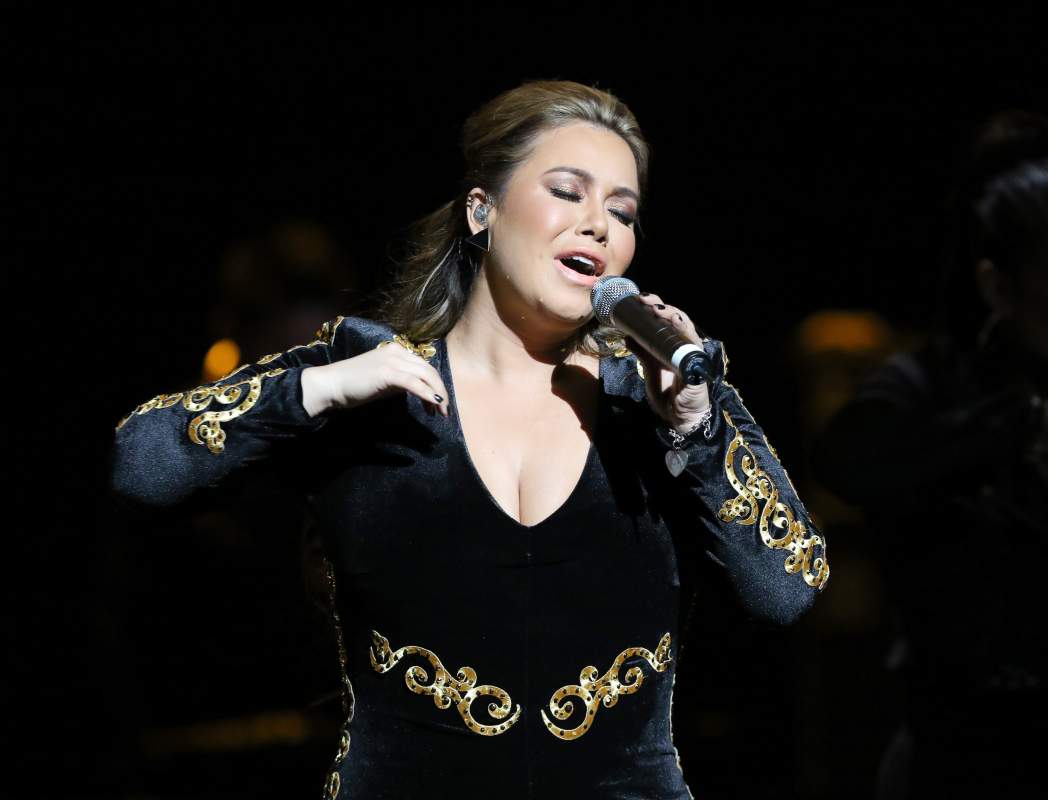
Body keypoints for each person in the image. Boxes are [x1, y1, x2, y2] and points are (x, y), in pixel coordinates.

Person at [109, 80, 830, 800]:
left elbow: (788, 590)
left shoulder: (660, 397)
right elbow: (139, 465)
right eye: (568, 192)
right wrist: (315, 390)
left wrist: (696, 430)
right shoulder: (370, 376)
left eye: (622, 211)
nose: (599, 226)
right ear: (482, 210)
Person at [813, 112, 1048, 799]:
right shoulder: (933, 390)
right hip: (965, 773)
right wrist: (1036, 426)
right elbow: (847, 461)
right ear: (999, 287)